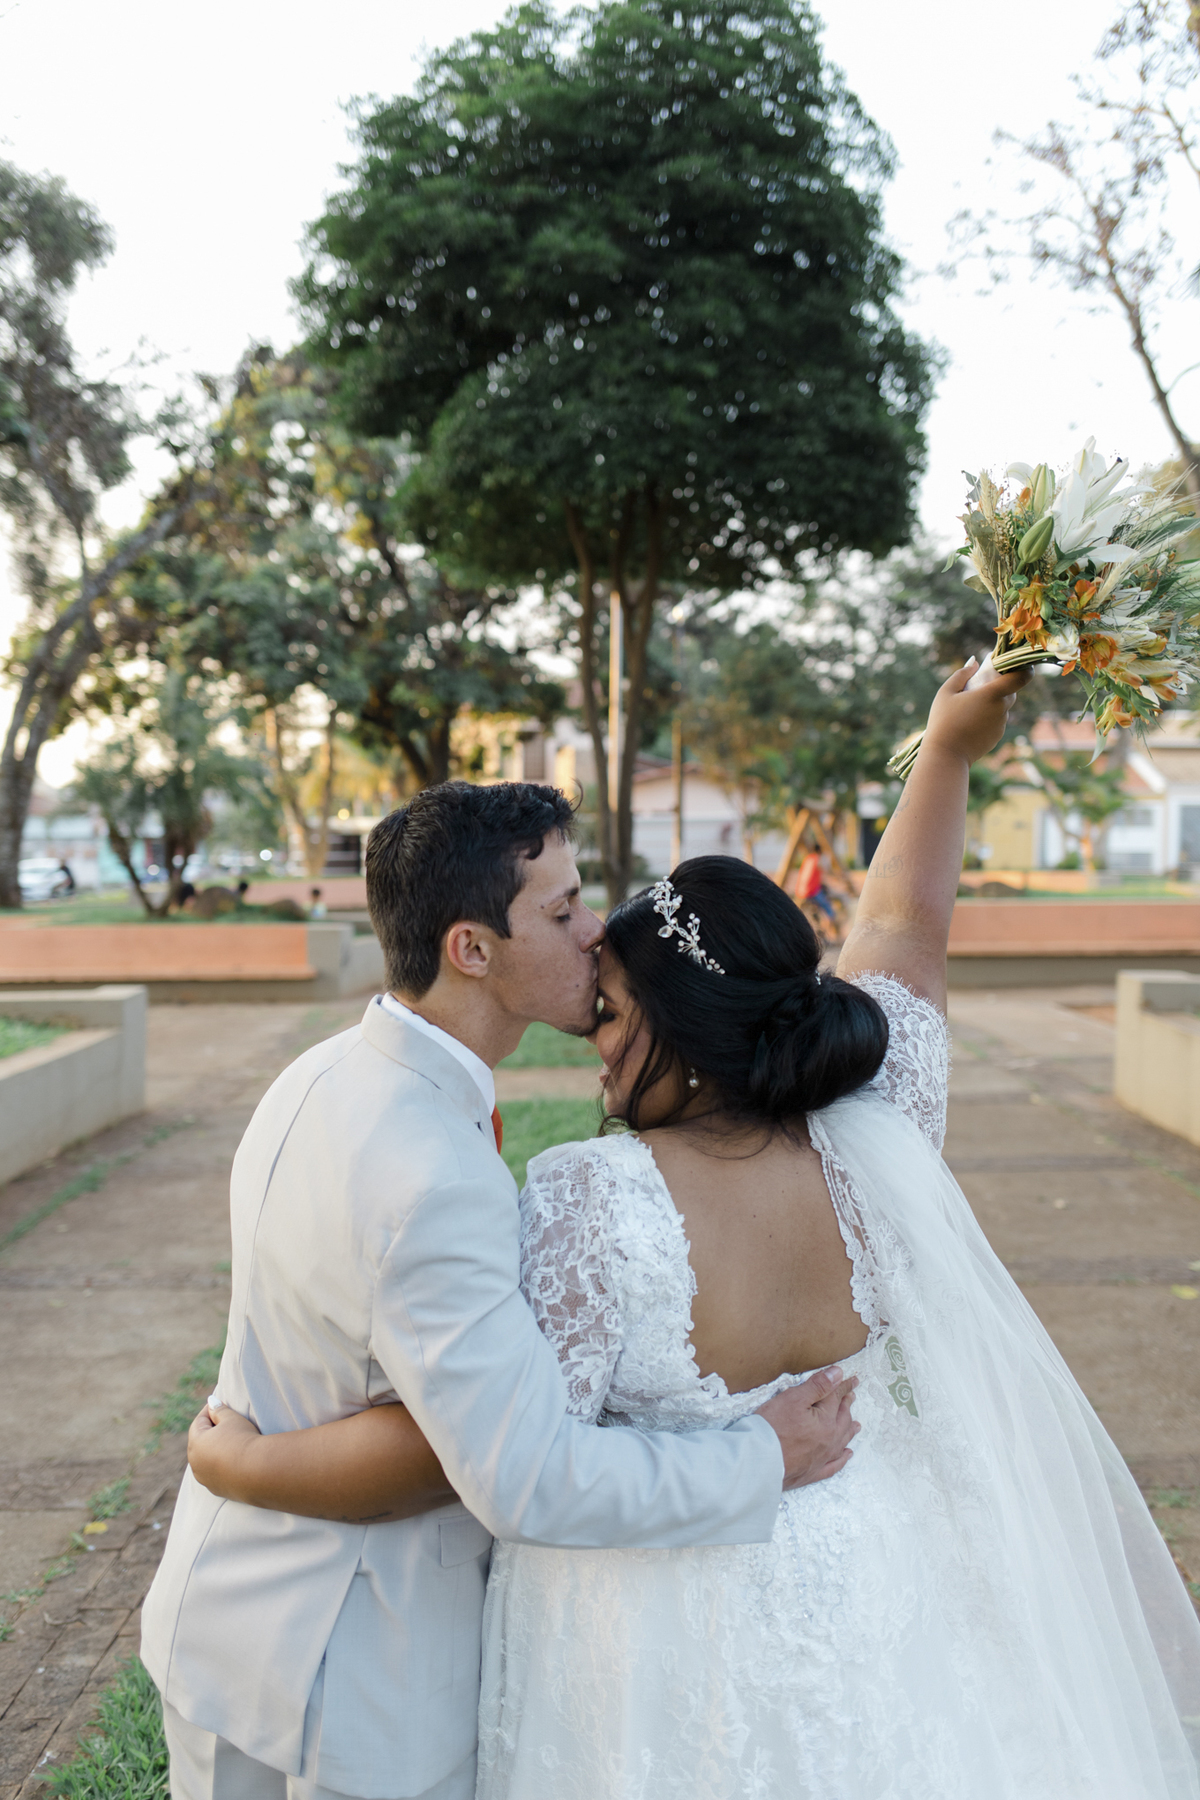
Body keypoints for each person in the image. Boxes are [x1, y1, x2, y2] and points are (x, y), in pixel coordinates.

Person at [192, 661, 1200, 1798]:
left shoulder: (586, 1198)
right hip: (875, 1568)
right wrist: (948, 750)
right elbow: (905, 922)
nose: (595, 1034)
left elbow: (484, 1453)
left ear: (679, 1026)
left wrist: (247, 1461)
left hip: (645, 1636)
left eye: (613, 1010)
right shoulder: (883, 1130)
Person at [144, 780, 858, 1800]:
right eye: (562, 911)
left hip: (225, 1620)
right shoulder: (433, 1172)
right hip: (348, 1673)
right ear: (472, 949)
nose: (595, 932)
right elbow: (526, 1478)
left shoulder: (317, 1074)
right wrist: (761, 1456)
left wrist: (245, 1466)